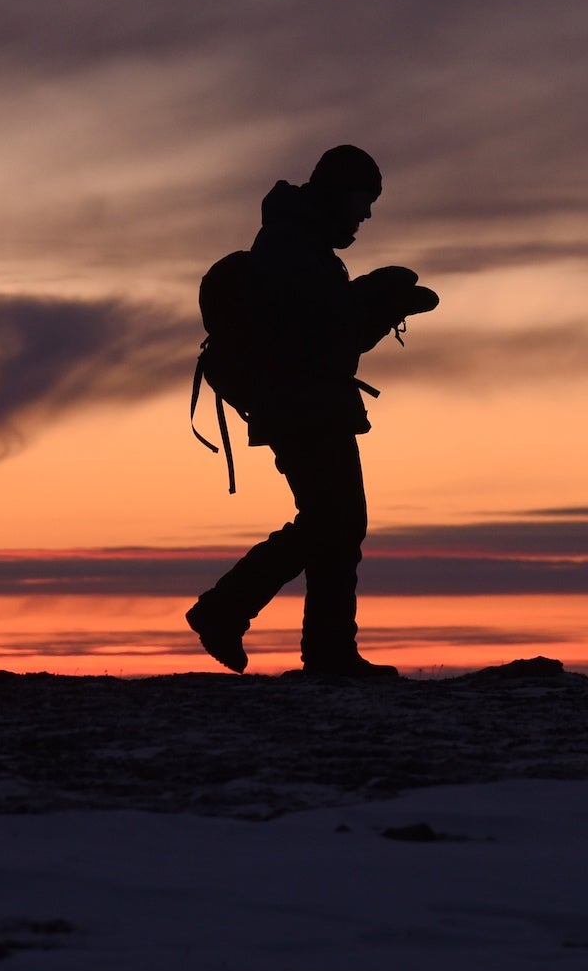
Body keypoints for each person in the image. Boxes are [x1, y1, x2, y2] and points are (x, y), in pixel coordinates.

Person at [185, 144, 434, 678]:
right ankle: (229, 610)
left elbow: (330, 338)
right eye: (362, 200)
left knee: (336, 524)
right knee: (333, 521)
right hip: (299, 403)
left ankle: (325, 653)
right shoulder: (292, 247)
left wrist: (382, 303)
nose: (366, 214)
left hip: (307, 401)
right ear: (337, 194)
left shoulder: (302, 243)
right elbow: (319, 339)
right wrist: (379, 297)